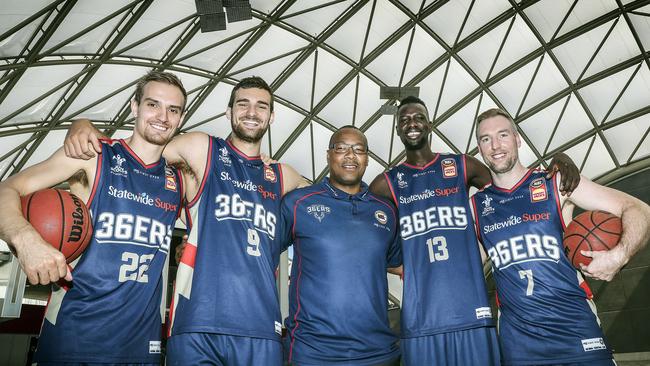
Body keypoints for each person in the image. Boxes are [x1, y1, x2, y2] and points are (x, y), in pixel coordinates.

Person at [64, 76, 308, 365]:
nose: (252, 113)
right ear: (228, 112)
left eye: (261, 106)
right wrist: (84, 126)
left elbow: (325, 203)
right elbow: (140, 150)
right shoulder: (200, 147)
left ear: (272, 116)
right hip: (197, 320)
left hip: (261, 325)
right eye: (243, 105)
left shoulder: (282, 175)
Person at [369, 96, 581, 365]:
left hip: (473, 312)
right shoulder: (386, 183)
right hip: (422, 316)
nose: (412, 123)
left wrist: (557, 161)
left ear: (430, 124)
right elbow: (363, 234)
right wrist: (397, 264)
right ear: (397, 129)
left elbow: (508, 185)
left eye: (419, 117)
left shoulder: (461, 165)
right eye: (405, 120)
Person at [0, 71, 186, 364]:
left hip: (141, 348)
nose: (163, 116)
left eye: (173, 110)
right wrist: (26, 240)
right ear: (134, 108)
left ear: (180, 118)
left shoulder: (178, 179)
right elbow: (7, 189)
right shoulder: (94, 155)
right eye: (153, 105)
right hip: (74, 338)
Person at [471, 108, 650, 365]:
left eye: (503, 135)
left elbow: (639, 210)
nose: (495, 145)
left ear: (518, 139)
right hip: (520, 347)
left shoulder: (556, 183)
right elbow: (463, 269)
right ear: (479, 147)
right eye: (486, 139)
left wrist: (619, 255)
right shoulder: (477, 207)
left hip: (576, 333)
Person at [279, 126, 401, 366]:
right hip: (313, 352)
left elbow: (399, 267)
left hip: (378, 352)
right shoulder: (298, 203)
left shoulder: (385, 210)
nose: (350, 155)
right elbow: (261, 258)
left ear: (367, 158)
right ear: (328, 155)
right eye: (342, 148)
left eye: (358, 150)